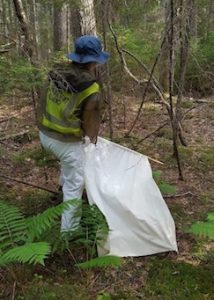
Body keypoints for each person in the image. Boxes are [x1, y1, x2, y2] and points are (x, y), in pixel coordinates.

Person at [37, 35, 110, 232]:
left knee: (68, 165)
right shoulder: (91, 88)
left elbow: (43, 102)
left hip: (44, 134)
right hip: (66, 142)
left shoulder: (56, 72)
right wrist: (91, 138)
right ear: (94, 60)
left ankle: (60, 191)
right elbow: (90, 124)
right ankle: (68, 234)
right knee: (74, 186)